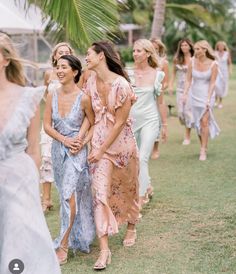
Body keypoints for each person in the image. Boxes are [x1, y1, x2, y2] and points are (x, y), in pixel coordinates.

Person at [0, 33, 61, 274]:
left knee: (19, 245)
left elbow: (34, 148)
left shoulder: (27, 97)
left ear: (5, 60)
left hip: (18, 181)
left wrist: (30, 185)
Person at [84, 41, 139, 270]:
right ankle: (104, 250)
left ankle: (131, 226)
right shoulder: (89, 81)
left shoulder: (122, 85)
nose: (85, 58)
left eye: (88, 54)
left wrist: (101, 148)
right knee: (99, 194)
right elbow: (91, 116)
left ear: (100, 56)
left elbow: (118, 123)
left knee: (128, 189)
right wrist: (84, 141)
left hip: (122, 146)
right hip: (99, 147)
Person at [43, 55, 95, 265]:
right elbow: (47, 126)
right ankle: (76, 236)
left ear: (75, 72)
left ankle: (62, 245)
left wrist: (81, 142)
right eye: (58, 67)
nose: (60, 70)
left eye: (64, 67)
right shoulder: (52, 95)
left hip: (76, 153)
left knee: (67, 196)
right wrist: (64, 139)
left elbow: (92, 123)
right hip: (58, 150)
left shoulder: (83, 98)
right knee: (65, 196)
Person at [128, 39, 167, 207]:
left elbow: (160, 102)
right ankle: (148, 185)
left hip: (150, 120)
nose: (135, 53)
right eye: (134, 50)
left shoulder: (158, 74)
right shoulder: (127, 74)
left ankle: (142, 196)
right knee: (133, 159)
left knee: (143, 157)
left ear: (148, 53)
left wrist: (164, 125)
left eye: (139, 51)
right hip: (131, 121)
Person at [40, 42, 74, 212]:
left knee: (66, 159)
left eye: (66, 52)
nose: (62, 54)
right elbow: (46, 95)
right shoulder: (49, 74)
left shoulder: (75, 74)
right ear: (54, 56)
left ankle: (67, 196)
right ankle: (46, 199)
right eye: (60, 52)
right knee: (46, 158)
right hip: (51, 120)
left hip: (68, 121)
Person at [183, 40, 220, 161]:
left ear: (205, 50)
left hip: (207, 95)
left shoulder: (214, 64)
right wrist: (185, 94)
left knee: (204, 121)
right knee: (198, 123)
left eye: (199, 49)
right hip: (194, 95)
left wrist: (209, 98)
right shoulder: (192, 62)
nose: (196, 51)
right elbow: (188, 80)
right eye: (196, 49)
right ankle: (203, 145)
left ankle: (203, 150)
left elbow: (213, 82)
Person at [169, 38, 195, 145]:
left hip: (191, 89)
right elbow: (174, 73)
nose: (184, 47)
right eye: (182, 45)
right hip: (179, 89)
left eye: (186, 45)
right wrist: (170, 85)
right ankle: (192, 123)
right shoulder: (177, 59)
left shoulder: (194, 58)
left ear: (190, 46)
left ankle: (187, 136)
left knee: (187, 112)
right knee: (180, 113)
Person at [150, 38, 168, 159]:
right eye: (152, 48)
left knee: (156, 121)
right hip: (145, 95)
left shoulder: (163, 63)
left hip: (157, 95)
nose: (154, 51)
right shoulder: (144, 61)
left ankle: (155, 148)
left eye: (156, 49)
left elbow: (165, 82)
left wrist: (158, 87)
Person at [214, 41, 232, 108]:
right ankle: (215, 101)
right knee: (215, 85)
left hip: (224, 72)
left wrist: (230, 71)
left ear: (224, 47)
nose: (220, 47)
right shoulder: (215, 53)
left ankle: (220, 102)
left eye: (222, 46)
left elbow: (229, 63)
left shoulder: (227, 54)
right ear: (217, 47)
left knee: (222, 87)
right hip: (216, 71)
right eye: (219, 46)